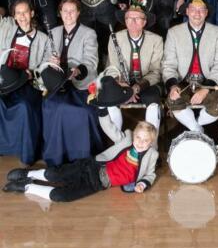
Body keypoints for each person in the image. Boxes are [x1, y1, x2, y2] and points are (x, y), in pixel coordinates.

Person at [3, 82, 158, 201]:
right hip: (93, 166)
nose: (140, 142)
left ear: (151, 142)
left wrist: (142, 184)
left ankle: (26, 187)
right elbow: (109, 128)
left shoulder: (152, 155)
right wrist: (102, 109)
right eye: (139, 137)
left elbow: (150, 174)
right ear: (134, 135)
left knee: (62, 196)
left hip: (99, 183)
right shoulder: (127, 140)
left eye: (145, 140)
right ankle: (28, 174)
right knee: (55, 174)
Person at [39, 0, 102, 167]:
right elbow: (44, 59)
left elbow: (91, 61)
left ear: (78, 13)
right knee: (51, 106)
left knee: (78, 111)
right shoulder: (53, 32)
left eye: (72, 11)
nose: (68, 14)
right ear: (60, 13)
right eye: (65, 11)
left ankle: (79, 156)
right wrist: (51, 61)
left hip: (80, 83)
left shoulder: (89, 33)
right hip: (57, 83)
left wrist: (77, 71)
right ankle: (56, 155)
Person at [162, 0, 218, 132]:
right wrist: (173, 86)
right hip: (182, 82)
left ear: (206, 13)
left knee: (217, 107)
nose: (197, 14)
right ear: (187, 11)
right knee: (173, 101)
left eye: (201, 10)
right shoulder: (174, 33)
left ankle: (195, 126)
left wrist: (206, 89)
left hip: (208, 82)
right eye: (193, 9)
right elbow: (168, 64)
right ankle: (197, 130)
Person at [0, 0, 48, 165]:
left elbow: (45, 65)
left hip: (27, 83)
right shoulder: (6, 29)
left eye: (25, 12)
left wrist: (32, 74)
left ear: (32, 13)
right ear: (14, 16)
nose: (22, 16)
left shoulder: (43, 38)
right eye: (18, 13)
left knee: (25, 106)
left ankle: (27, 153)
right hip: (5, 81)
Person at [108, 0, 163, 136]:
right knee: (110, 97)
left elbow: (156, 72)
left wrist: (136, 88)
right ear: (125, 21)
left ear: (144, 22)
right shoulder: (115, 38)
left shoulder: (156, 40)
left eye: (137, 18)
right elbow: (113, 67)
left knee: (153, 100)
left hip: (146, 83)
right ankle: (117, 140)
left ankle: (152, 143)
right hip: (122, 82)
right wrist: (122, 85)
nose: (132, 22)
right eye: (129, 18)